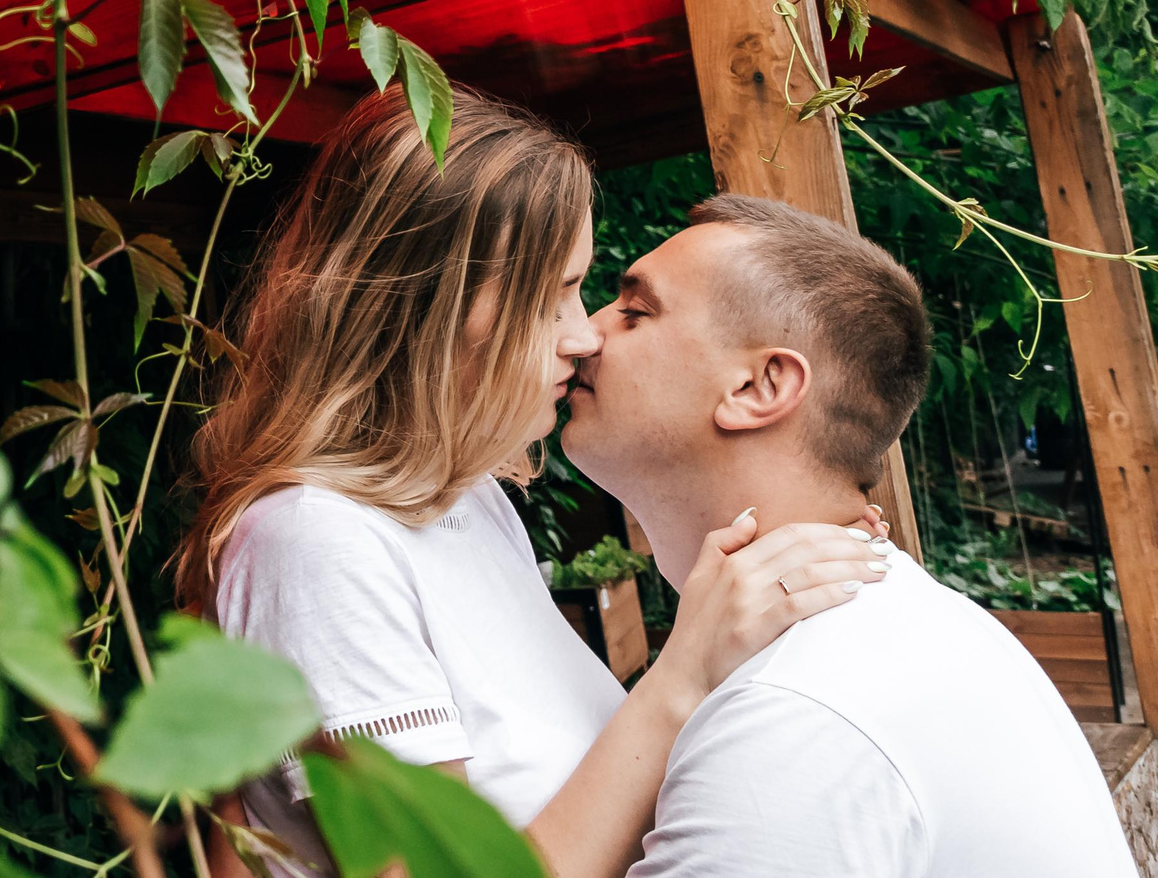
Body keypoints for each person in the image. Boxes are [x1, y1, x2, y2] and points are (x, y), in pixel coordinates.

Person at [178, 89, 887, 878]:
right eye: (546, 299)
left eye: (576, 290)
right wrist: (681, 672)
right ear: (422, 307)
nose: (584, 336)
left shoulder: (466, 499)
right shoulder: (315, 541)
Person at [563, 195, 1135, 876]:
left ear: (759, 384)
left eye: (634, 310)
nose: (585, 334)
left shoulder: (793, 719)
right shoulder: (893, 629)